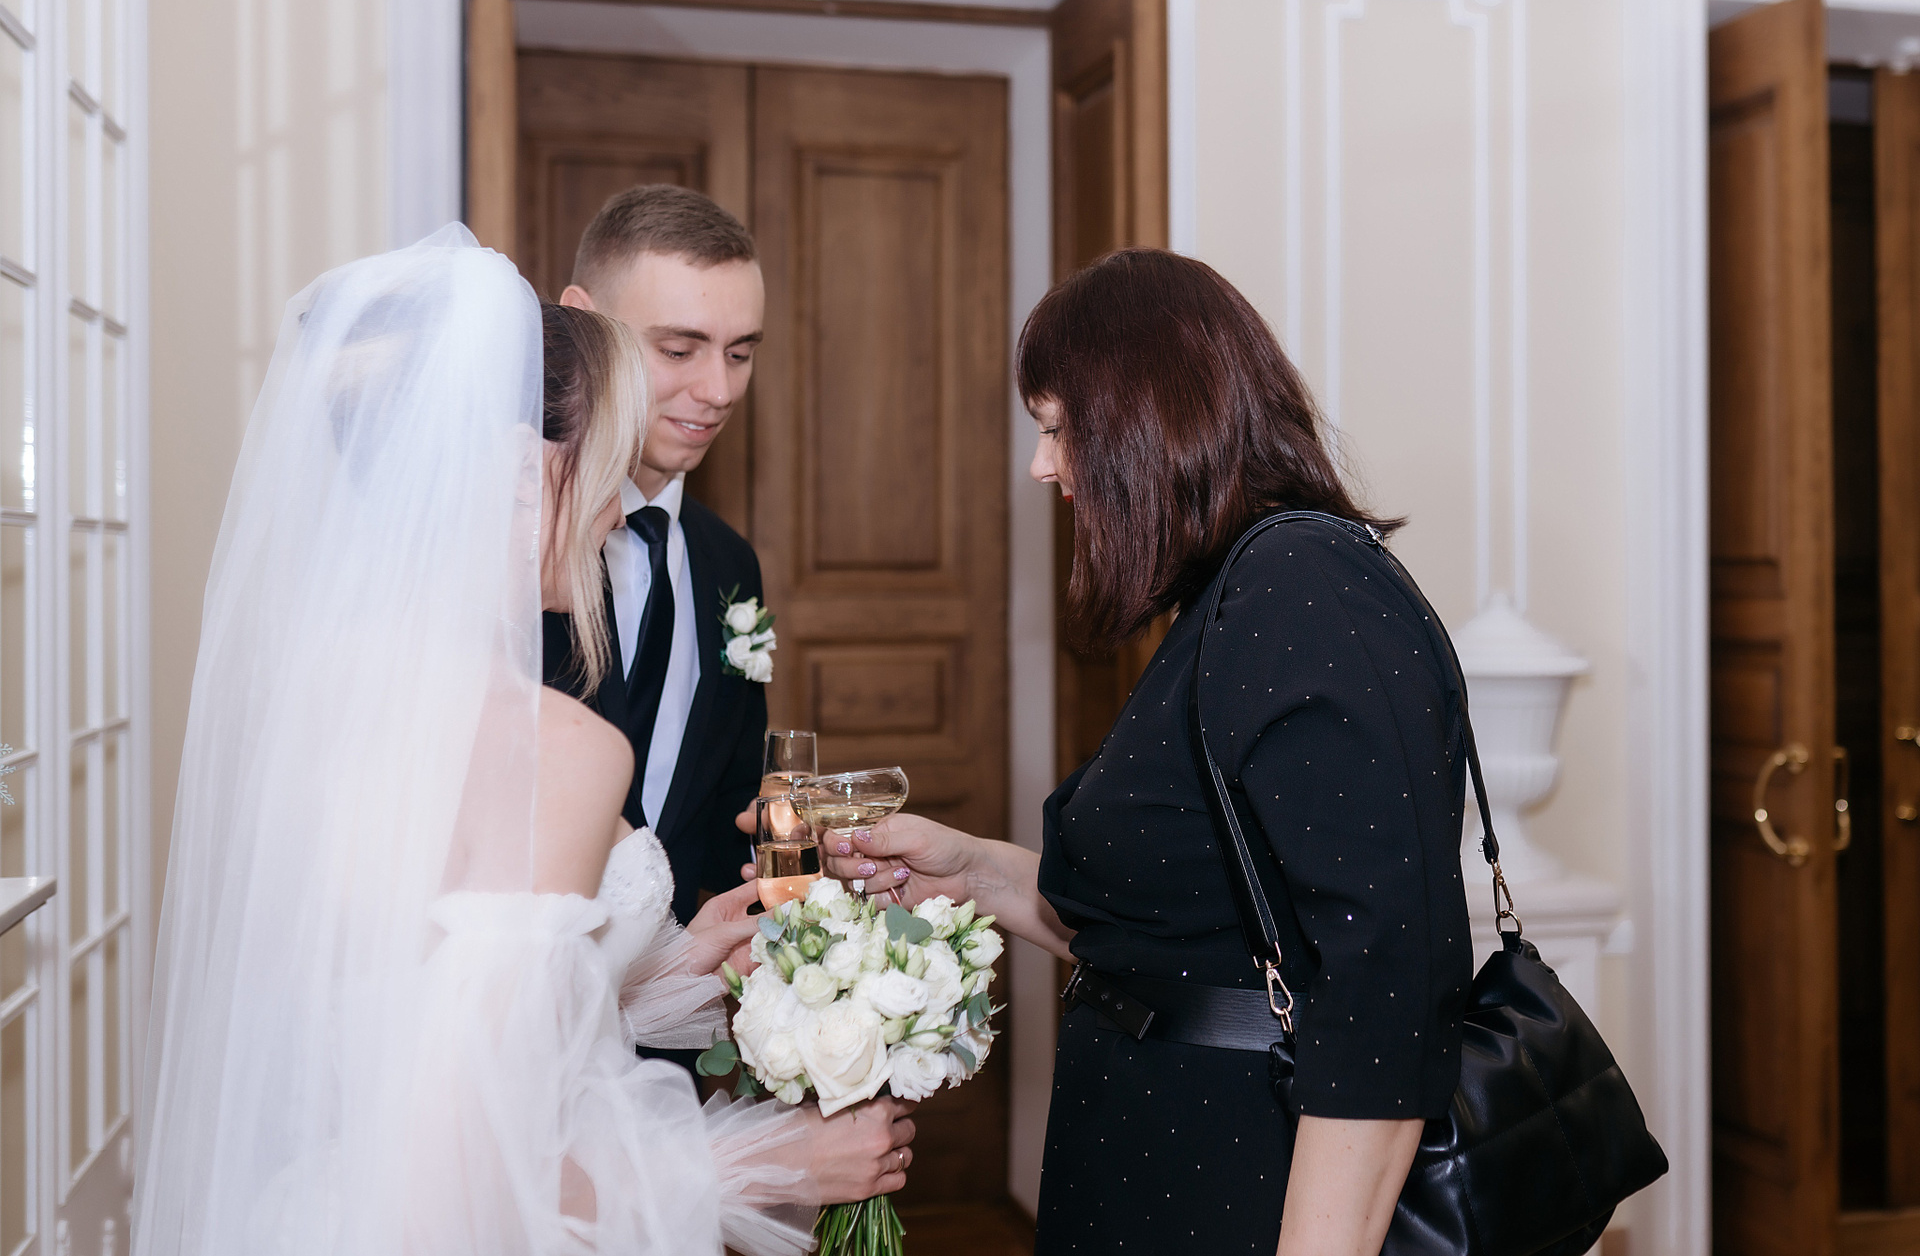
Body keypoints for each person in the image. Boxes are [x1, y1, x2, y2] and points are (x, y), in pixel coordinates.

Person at [134, 227, 915, 1256]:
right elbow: (467, 1173)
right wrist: (770, 1162)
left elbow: (424, 1007)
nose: (615, 513)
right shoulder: (553, 745)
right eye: (605, 466)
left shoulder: (322, 696)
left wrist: (682, 962)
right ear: (518, 471)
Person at [816, 249, 1474, 1255]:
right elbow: (1189, 938)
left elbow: (1382, 997)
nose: (1042, 466)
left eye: (1056, 428)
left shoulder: (1303, 589)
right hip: (1164, 1163)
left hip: (1240, 1181)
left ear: (1145, 418)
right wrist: (972, 871)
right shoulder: (1234, 593)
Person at [544, 183, 767, 927]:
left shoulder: (731, 563)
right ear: (583, 320)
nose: (719, 390)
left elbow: (723, 815)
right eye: (678, 350)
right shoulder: (511, 555)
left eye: (740, 353)